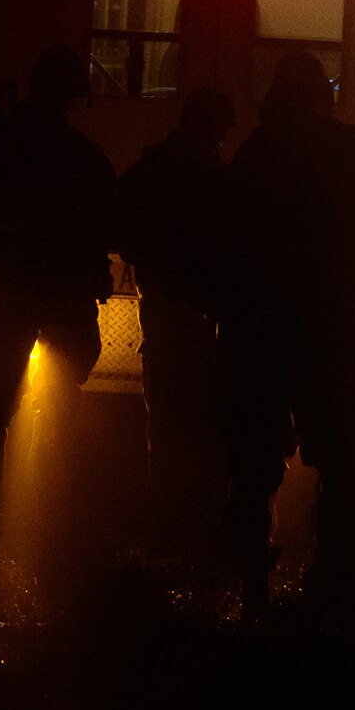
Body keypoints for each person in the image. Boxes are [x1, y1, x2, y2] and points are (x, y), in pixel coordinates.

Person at [219, 52, 355, 617]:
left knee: (252, 462)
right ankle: (339, 587)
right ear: (326, 96)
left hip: (259, 335)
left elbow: (230, 247)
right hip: (344, 337)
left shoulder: (255, 155)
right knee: (349, 460)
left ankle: (251, 583)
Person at [0, 44, 117, 534]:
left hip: (19, 288)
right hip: (63, 291)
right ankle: (46, 516)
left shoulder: (5, 145)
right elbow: (107, 219)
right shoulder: (83, 155)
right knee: (57, 402)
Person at [115, 86, 235, 534]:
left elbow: (123, 231)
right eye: (219, 133)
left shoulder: (152, 170)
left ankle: (171, 515)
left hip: (169, 309)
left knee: (169, 415)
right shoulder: (211, 177)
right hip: (196, 313)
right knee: (200, 416)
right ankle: (195, 515)